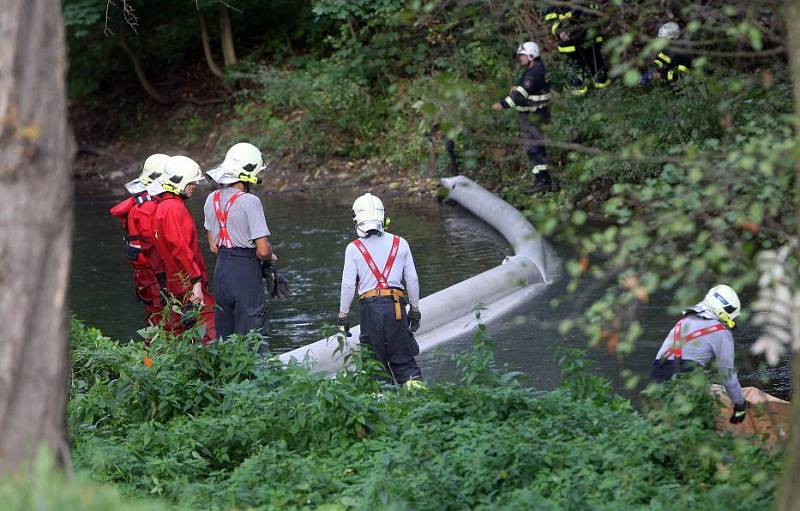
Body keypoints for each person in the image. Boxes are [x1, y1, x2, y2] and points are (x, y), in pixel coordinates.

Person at [337, 193, 424, 387]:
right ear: (383, 217)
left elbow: (349, 285)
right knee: (404, 361)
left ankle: (386, 406)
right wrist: (415, 311)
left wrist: (343, 317)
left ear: (357, 218)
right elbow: (412, 279)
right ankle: (420, 402)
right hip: (397, 309)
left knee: (375, 366)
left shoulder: (353, 248)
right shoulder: (400, 243)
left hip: (370, 310)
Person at [650, 284, 750, 424]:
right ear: (726, 312)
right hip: (687, 379)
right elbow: (727, 376)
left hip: (657, 376)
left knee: (662, 426)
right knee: (699, 430)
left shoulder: (684, 321)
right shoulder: (722, 333)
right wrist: (740, 405)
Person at [204, 142, 273, 340]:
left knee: (225, 332)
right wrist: (270, 256)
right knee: (253, 332)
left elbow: (213, 246)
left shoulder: (211, 199)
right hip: (245, 271)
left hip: (222, 271)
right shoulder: (250, 202)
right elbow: (262, 250)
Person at [149, 155, 216, 343]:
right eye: (191, 183)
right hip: (187, 281)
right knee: (205, 327)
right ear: (180, 182)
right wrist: (196, 282)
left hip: (177, 281)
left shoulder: (163, 207)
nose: (194, 187)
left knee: (183, 330)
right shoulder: (173, 209)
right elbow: (180, 248)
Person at [109, 154, 169, 326]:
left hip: (145, 273)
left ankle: (155, 349)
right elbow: (151, 244)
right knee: (161, 317)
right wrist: (163, 277)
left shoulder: (142, 201)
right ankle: (157, 351)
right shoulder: (148, 206)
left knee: (156, 316)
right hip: (152, 272)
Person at [492, 41, 555, 194]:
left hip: (533, 116)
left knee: (533, 149)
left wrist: (501, 105)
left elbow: (519, 97)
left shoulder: (532, 74)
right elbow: (527, 90)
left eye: (522, 55)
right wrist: (517, 89)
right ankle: (546, 182)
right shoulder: (537, 69)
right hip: (538, 114)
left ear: (531, 56)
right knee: (537, 147)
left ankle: (542, 183)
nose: (520, 58)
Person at [544, 1, 611, 95]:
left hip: (589, 39)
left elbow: (594, 15)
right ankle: (578, 96)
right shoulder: (554, 5)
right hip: (570, 45)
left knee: (597, 68)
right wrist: (561, 32)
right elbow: (551, 22)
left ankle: (605, 93)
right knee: (576, 71)